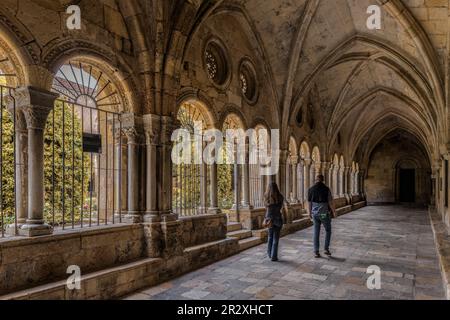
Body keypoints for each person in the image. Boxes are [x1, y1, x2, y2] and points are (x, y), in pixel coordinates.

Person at [307, 175, 337, 258]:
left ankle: (316, 251)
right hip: (323, 214)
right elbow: (330, 202)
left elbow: (309, 203)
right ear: (323, 180)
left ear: (316, 180)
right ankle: (326, 249)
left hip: (315, 214)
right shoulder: (326, 189)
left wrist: (309, 213)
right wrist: (334, 211)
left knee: (316, 232)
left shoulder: (311, 189)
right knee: (328, 230)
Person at [264, 182, 285, 262]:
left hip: (269, 220)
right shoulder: (280, 197)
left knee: (270, 237)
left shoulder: (266, 197)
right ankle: (274, 256)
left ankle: (269, 254)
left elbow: (267, 208)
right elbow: (280, 207)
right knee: (276, 239)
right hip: (278, 219)